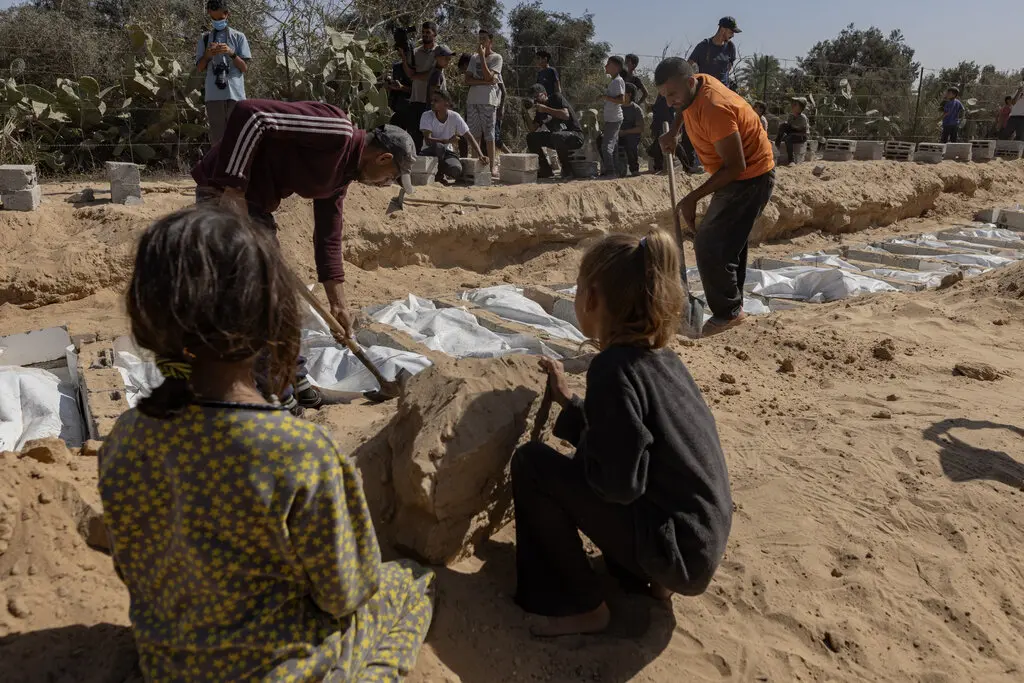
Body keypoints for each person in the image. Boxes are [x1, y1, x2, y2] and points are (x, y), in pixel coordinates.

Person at [100, 205, 435, 680]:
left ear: (145, 318)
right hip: (275, 669)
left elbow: (129, 566)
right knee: (411, 585)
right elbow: (347, 592)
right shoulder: (299, 452)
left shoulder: (126, 438)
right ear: (270, 318)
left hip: (169, 664)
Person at [511, 230, 733, 637]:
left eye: (577, 290)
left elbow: (618, 484)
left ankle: (579, 606)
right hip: (701, 541)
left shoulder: (612, 369)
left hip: (677, 552)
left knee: (532, 465)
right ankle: (649, 580)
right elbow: (641, 444)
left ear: (592, 298)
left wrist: (579, 466)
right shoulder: (662, 360)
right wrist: (572, 406)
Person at [192, 100, 417, 409]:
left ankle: (297, 382)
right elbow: (251, 114)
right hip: (222, 197)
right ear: (383, 157)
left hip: (257, 208)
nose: (386, 184)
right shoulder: (336, 130)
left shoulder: (341, 177)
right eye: (390, 176)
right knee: (258, 302)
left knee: (279, 299)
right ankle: (279, 398)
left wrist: (338, 305)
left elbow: (328, 237)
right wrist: (233, 189)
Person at [656, 57, 775, 336]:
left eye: (672, 94)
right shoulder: (691, 90)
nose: (669, 101)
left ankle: (728, 314)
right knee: (728, 244)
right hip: (732, 174)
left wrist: (692, 197)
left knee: (710, 243)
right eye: (664, 96)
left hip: (749, 178)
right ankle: (733, 309)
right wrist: (674, 131)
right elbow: (682, 106)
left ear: (689, 82)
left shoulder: (715, 107)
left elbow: (736, 166)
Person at [194, 0, 251, 145]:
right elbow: (200, 68)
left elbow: (244, 68)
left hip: (235, 94)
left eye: (220, 19)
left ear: (227, 14)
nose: (217, 21)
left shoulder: (239, 37)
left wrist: (230, 53)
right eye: (214, 19)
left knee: (238, 139)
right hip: (214, 95)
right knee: (218, 141)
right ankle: (219, 167)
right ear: (209, 14)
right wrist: (208, 55)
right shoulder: (204, 38)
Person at [420, 89, 487, 183]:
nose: (432, 103)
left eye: (436, 101)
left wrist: (481, 155)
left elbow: (469, 136)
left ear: (446, 104)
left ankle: (441, 171)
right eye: (432, 100)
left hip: (447, 152)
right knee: (439, 147)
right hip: (429, 151)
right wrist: (447, 141)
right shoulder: (426, 115)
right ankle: (439, 176)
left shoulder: (455, 117)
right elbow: (428, 140)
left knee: (456, 170)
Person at [465, 28, 504, 175]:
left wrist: (482, 57)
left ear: (490, 41)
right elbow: (467, 80)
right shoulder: (473, 58)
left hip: (488, 101)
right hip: (472, 100)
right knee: (474, 135)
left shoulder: (496, 58)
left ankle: (492, 165)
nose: (481, 41)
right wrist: (485, 81)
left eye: (484, 39)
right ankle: (476, 166)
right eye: (479, 38)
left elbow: (490, 77)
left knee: (489, 134)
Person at [526, 84, 585, 180]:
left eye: (537, 96)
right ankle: (545, 170)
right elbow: (533, 128)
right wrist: (525, 114)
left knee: (556, 136)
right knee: (531, 137)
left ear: (544, 94)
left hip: (575, 136)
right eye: (533, 98)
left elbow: (565, 115)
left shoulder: (556, 98)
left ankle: (567, 170)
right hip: (557, 138)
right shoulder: (539, 111)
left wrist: (546, 109)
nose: (536, 100)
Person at [402, 22, 439, 150]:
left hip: (432, 101)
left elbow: (432, 74)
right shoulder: (416, 51)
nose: (425, 35)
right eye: (423, 32)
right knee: (414, 134)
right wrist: (403, 57)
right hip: (416, 99)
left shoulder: (439, 52)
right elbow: (409, 73)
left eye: (428, 32)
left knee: (432, 135)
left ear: (434, 34)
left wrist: (415, 76)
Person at [648, 94, 702, 174]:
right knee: (658, 146)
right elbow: (658, 111)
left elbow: (676, 110)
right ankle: (659, 167)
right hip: (660, 124)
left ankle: (686, 167)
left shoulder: (671, 94)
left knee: (674, 146)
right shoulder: (662, 95)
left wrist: (675, 128)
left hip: (669, 124)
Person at [688, 17, 740, 89]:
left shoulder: (730, 47)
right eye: (731, 32)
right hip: (706, 91)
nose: (733, 35)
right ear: (722, 30)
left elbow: (728, 68)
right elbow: (688, 65)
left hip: (724, 91)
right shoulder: (704, 46)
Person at [599, 56, 627, 177]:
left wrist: (605, 98)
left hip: (614, 119)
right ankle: (615, 171)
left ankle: (610, 172)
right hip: (612, 118)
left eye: (608, 64)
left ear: (616, 67)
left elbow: (621, 100)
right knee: (613, 146)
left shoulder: (617, 81)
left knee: (606, 147)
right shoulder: (615, 81)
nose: (605, 66)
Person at [618, 83, 644, 176]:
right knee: (601, 139)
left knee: (630, 140)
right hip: (617, 133)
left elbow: (640, 128)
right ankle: (609, 168)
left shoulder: (636, 110)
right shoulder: (617, 107)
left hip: (630, 134)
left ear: (629, 94)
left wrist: (625, 132)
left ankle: (634, 169)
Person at [775, 97, 809, 165]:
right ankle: (776, 146)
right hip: (793, 132)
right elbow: (789, 126)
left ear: (801, 108)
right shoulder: (791, 115)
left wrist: (789, 125)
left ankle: (791, 160)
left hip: (801, 135)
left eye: (795, 104)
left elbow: (798, 128)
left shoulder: (802, 117)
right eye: (793, 104)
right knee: (783, 126)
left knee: (788, 138)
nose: (793, 105)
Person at [385, 56, 413, 130]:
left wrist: (402, 88)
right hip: (396, 107)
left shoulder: (415, 68)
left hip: (409, 108)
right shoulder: (397, 66)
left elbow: (418, 90)